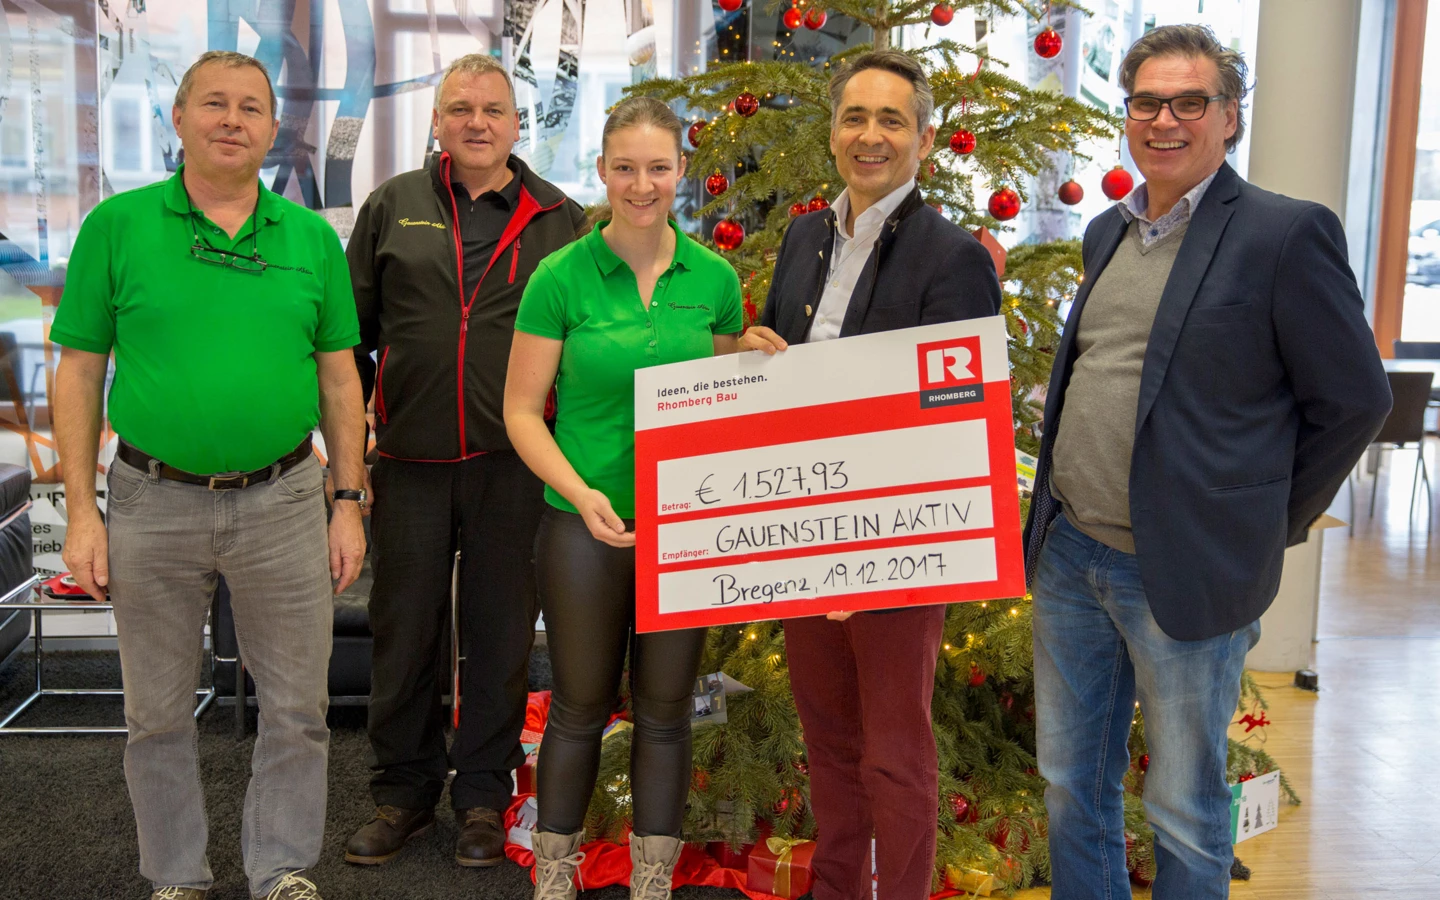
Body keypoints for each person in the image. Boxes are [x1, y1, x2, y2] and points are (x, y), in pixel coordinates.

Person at [1021, 25, 1391, 899]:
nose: (1166, 120)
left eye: (1191, 102)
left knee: (1184, 807)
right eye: (1147, 102)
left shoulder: (1283, 234)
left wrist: (1267, 520)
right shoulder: (1108, 232)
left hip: (1183, 568)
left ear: (1230, 117)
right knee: (1072, 787)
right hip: (1072, 554)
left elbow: (1356, 401)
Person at [52, 51, 366, 900]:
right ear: (180, 118)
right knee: (154, 714)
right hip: (152, 502)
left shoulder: (309, 240)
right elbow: (79, 369)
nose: (234, 120)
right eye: (215, 104)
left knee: (298, 709)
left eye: (252, 108)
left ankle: (280, 867)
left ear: (273, 128)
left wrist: (348, 501)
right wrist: (83, 512)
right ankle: (177, 876)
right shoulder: (116, 227)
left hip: (288, 499)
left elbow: (341, 378)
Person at [740, 51, 1001, 900]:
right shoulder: (805, 236)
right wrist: (753, 355)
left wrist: (872, 548)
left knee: (894, 752)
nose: (870, 135)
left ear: (925, 138)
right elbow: (787, 382)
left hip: (898, 548)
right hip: (805, 535)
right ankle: (837, 888)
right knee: (827, 740)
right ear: (832, 131)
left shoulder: (954, 256)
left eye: (892, 120)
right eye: (855, 117)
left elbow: (952, 419)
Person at [341, 54, 587, 869]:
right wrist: (367, 427)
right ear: (438, 122)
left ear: (519, 125)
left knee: (502, 632)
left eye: (492, 109)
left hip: (513, 466)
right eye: (459, 108)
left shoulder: (562, 218)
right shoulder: (392, 207)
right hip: (408, 461)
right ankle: (402, 792)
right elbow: (349, 340)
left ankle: (482, 793)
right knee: (403, 630)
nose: (476, 121)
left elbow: (588, 348)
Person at [504, 96, 743, 900]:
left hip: (685, 526)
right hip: (583, 524)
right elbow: (518, 410)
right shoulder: (559, 277)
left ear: (682, 173)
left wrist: (755, 355)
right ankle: (556, 870)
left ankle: (651, 876)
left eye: (659, 168)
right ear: (602, 172)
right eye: (626, 168)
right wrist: (579, 491)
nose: (643, 185)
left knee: (667, 709)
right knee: (578, 704)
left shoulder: (713, 276)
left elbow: (723, 392)